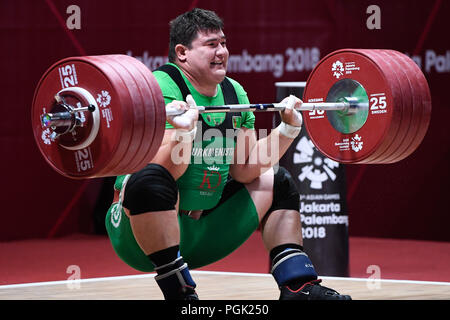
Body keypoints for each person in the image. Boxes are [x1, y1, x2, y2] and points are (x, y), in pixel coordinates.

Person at [105, 8, 351, 300]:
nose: (221, 51)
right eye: (211, 45)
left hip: (200, 234)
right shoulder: (160, 87)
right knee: (151, 180)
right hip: (139, 235)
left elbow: (246, 168)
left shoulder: (233, 92)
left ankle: (298, 287)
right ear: (182, 53)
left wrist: (287, 130)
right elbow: (162, 172)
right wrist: (183, 134)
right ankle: (179, 293)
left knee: (278, 181)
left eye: (223, 43)